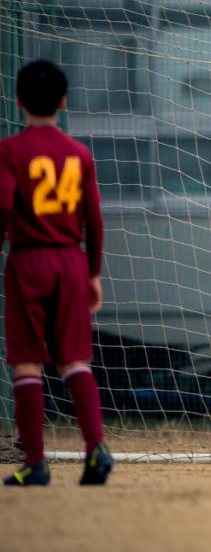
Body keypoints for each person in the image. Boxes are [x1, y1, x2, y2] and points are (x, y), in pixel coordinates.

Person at [0, 59, 113, 486]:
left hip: (29, 261)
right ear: (63, 102)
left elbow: (5, 205)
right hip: (70, 260)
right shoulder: (79, 153)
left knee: (28, 364)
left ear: (18, 101)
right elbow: (95, 219)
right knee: (74, 360)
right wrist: (94, 273)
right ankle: (96, 447)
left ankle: (36, 462)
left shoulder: (10, 151)